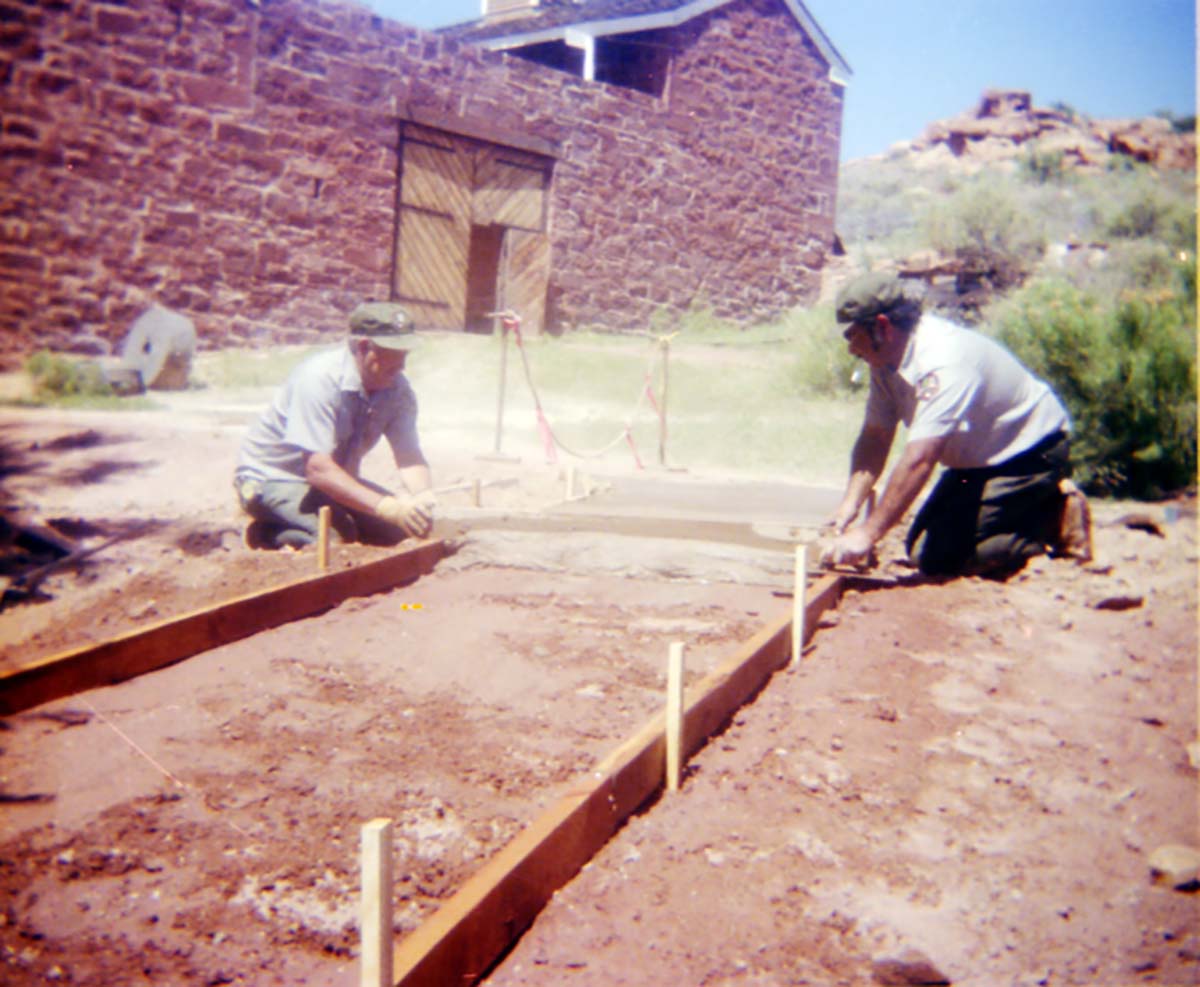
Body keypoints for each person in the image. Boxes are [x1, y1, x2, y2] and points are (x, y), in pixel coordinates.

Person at [821, 270, 1091, 577]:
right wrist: (849, 505)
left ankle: (1052, 520)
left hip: (1028, 451)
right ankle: (1024, 512)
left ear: (882, 327)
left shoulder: (943, 360)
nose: (851, 348)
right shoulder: (886, 363)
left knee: (939, 559)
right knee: (919, 545)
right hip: (978, 460)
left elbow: (920, 459)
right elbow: (875, 436)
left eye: (853, 335)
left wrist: (866, 535)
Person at [234, 301, 437, 550]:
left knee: (402, 532)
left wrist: (423, 498)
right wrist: (387, 507)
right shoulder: (319, 380)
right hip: (272, 479)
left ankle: (296, 524)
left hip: (329, 483)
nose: (402, 364)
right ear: (364, 347)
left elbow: (409, 456)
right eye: (394, 352)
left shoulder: (398, 390)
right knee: (336, 539)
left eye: (406, 352)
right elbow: (317, 469)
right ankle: (266, 534)